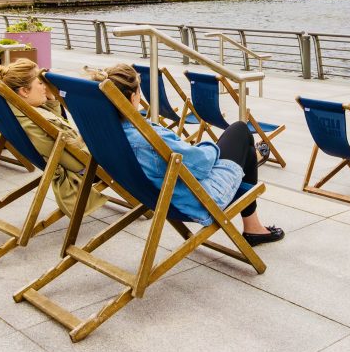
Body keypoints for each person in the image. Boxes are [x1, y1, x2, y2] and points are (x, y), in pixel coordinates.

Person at [96, 63, 284, 246]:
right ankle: (253, 225)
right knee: (240, 130)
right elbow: (202, 164)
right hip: (197, 198)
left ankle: (253, 223)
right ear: (131, 98)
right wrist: (210, 147)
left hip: (156, 194)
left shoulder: (106, 133)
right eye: (138, 93)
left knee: (248, 152)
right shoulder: (145, 137)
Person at [0, 59, 108, 217]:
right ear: (24, 91)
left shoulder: (19, 111)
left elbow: (55, 131)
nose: (45, 86)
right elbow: (73, 159)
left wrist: (51, 100)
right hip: (88, 167)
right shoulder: (34, 121)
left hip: (75, 159)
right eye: (40, 83)